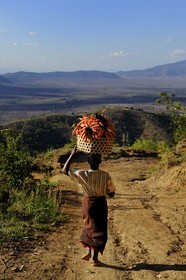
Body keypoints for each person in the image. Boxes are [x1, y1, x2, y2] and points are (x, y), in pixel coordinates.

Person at [62, 146, 115, 266]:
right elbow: (111, 193)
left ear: (88, 162)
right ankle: (95, 259)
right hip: (100, 203)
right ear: (100, 161)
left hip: (88, 203)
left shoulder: (82, 174)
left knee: (89, 225)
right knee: (99, 229)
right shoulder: (106, 175)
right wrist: (106, 191)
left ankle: (88, 251)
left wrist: (72, 154)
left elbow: (64, 171)